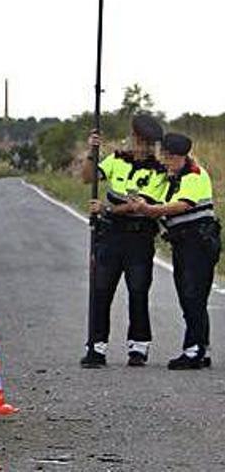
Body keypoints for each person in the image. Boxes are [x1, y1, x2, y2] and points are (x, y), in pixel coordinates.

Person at [80, 115, 167, 368]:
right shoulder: (116, 160)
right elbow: (88, 177)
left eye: (145, 142)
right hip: (110, 237)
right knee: (101, 290)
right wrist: (92, 151)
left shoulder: (158, 172)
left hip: (139, 238)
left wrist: (106, 209)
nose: (138, 145)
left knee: (138, 290)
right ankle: (96, 347)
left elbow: (139, 206)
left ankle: (138, 347)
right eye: (136, 140)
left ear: (152, 145)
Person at [130, 133, 220, 370]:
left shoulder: (194, 174)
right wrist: (139, 202)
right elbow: (152, 196)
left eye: (170, 158)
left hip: (199, 241)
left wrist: (150, 210)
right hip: (183, 243)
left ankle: (194, 350)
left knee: (193, 296)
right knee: (189, 296)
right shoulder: (171, 177)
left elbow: (182, 205)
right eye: (165, 157)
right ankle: (202, 347)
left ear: (181, 157)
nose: (166, 161)